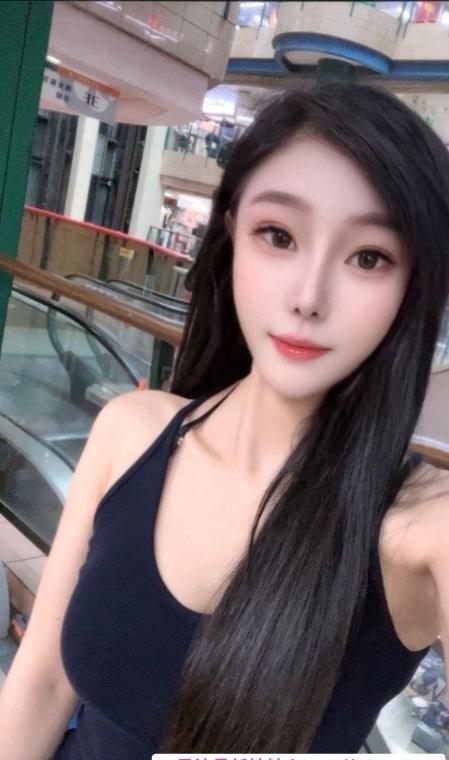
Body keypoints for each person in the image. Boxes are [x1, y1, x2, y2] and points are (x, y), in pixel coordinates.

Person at [0, 82, 449, 759]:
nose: (307, 297)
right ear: (232, 236)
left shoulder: (418, 531)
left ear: (413, 285)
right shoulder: (131, 433)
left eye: (368, 257)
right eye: (279, 236)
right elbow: (41, 684)